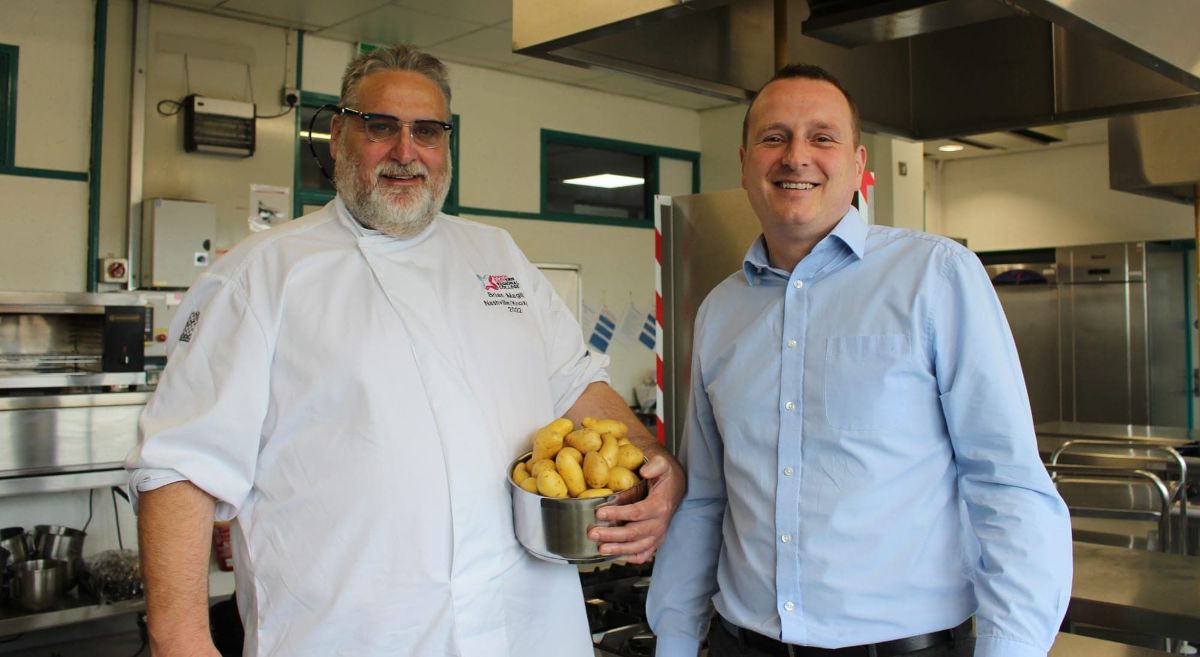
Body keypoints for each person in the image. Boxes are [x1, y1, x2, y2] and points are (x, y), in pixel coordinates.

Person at [126, 45, 683, 657]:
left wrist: (655, 464)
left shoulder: (498, 257)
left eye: (426, 131)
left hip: (525, 630)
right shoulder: (263, 274)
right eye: (380, 126)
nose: (404, 151)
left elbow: (577, 385)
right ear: (338, 135)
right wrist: (180, 641)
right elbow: (180, 466)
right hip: (347, 635)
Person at [646, 64, 1072, 657]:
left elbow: (1006, 483)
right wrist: (675, 637)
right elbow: (705, 498)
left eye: (822, 137)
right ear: (745, 162)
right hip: (741, 643)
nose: (796, 156)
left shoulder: (936, 277)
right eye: (774, 137)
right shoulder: (720, 310)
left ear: (858, 163)